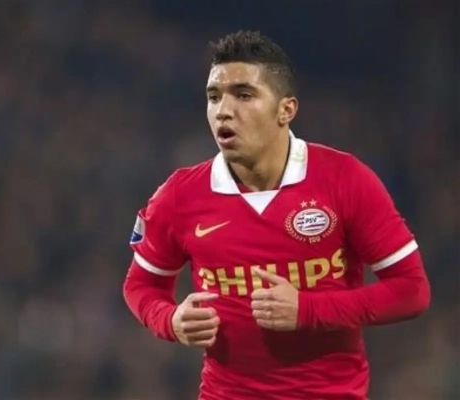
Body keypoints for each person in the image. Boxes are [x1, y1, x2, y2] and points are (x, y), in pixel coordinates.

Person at [122, 30, 430, 400]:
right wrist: (169, 320)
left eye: (244, 95)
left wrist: (307, 309)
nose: (223, 110)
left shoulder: (344, 179)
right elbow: (141, 285)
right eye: (214, 96)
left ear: (286, 110)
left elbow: (411, 290)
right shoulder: (180, 195)